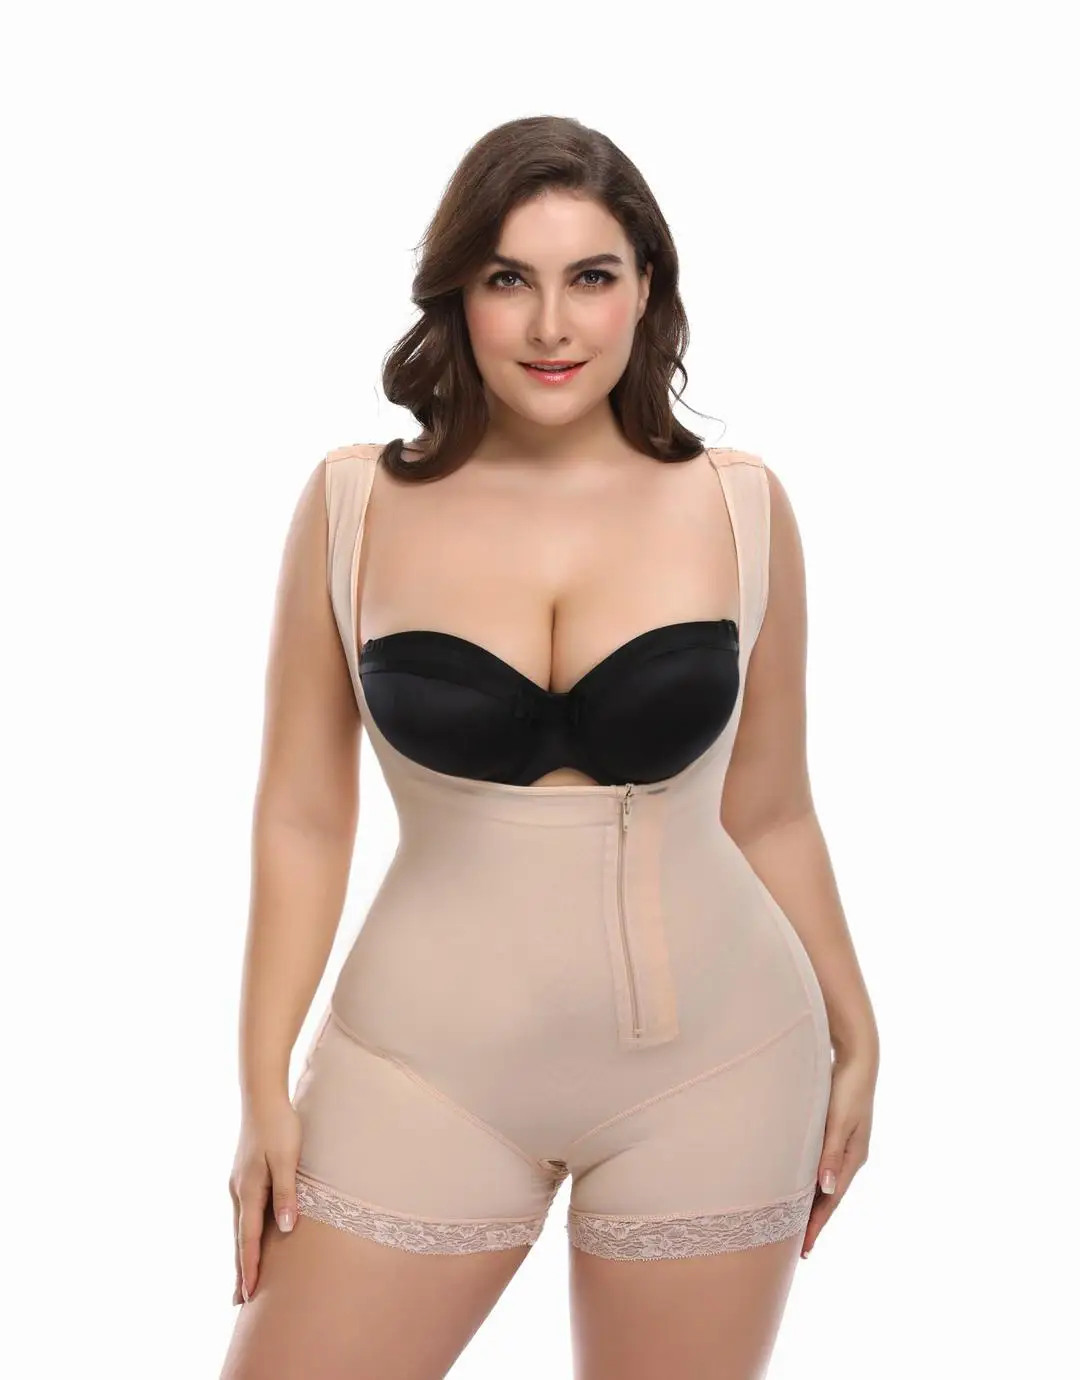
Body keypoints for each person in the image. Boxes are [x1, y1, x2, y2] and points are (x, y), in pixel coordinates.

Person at [220, 115, 879, 1380]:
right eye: (507, 278)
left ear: (646, 289)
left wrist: (861, 1035)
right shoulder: (356, 502)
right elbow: (301, 815)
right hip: (420, 1072)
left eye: (591, 277)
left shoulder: (739, 505)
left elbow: (773, 810)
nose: (551, 325)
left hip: (723, 1066)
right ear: (457, 294)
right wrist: (262, 1088)